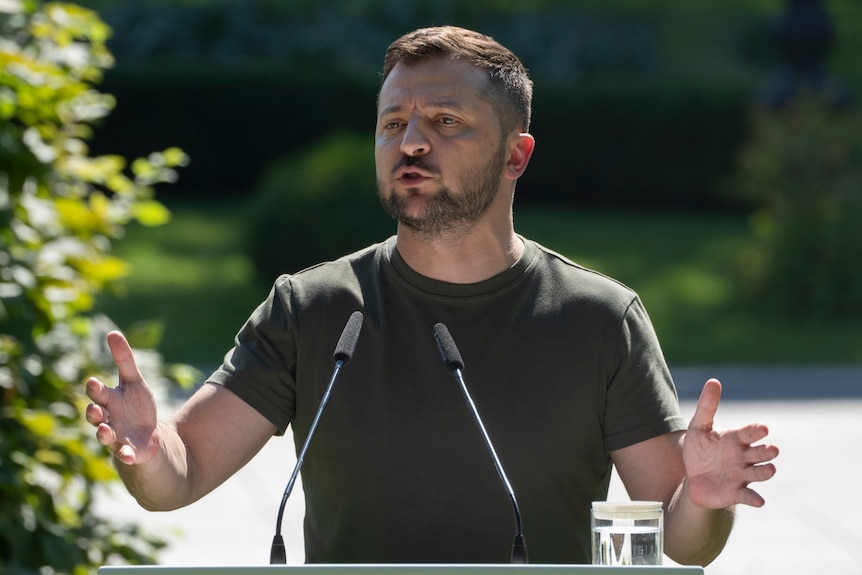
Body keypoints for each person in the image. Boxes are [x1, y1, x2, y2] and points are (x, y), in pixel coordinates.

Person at [85, 25, 778, 566]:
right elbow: (181, 473)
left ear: (516, 155)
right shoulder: (312, 307)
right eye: (393, 124)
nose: (410, 142)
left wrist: (707, 500)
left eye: (445, 121)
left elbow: (673, 537)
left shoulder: (599, 320)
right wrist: (147, 452)